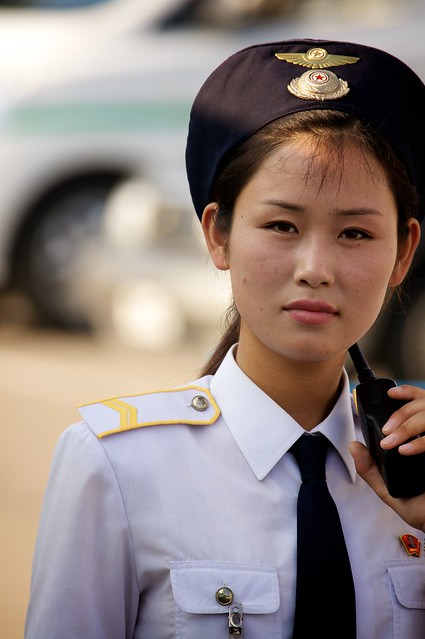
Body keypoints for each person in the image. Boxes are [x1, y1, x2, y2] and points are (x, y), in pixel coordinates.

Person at [25, 39, 425, 639]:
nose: (316, 267)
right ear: (218, 235)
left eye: (356, 234)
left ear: (404, 252)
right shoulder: (116, 465)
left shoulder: (412, 473)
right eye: (281, 225)